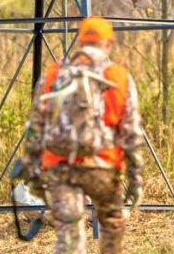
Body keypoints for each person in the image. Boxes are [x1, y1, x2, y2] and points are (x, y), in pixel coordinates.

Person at [22, 16, 144, 254]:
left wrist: (32, 170)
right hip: (103, 168)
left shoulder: (53, 75)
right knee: (111, 223)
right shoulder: (119, 77)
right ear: (108, 43)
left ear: (79, 41)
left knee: (69, 236)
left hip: (60, 167)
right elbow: (131, 134)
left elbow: (36, 127)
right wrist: (135, 178)